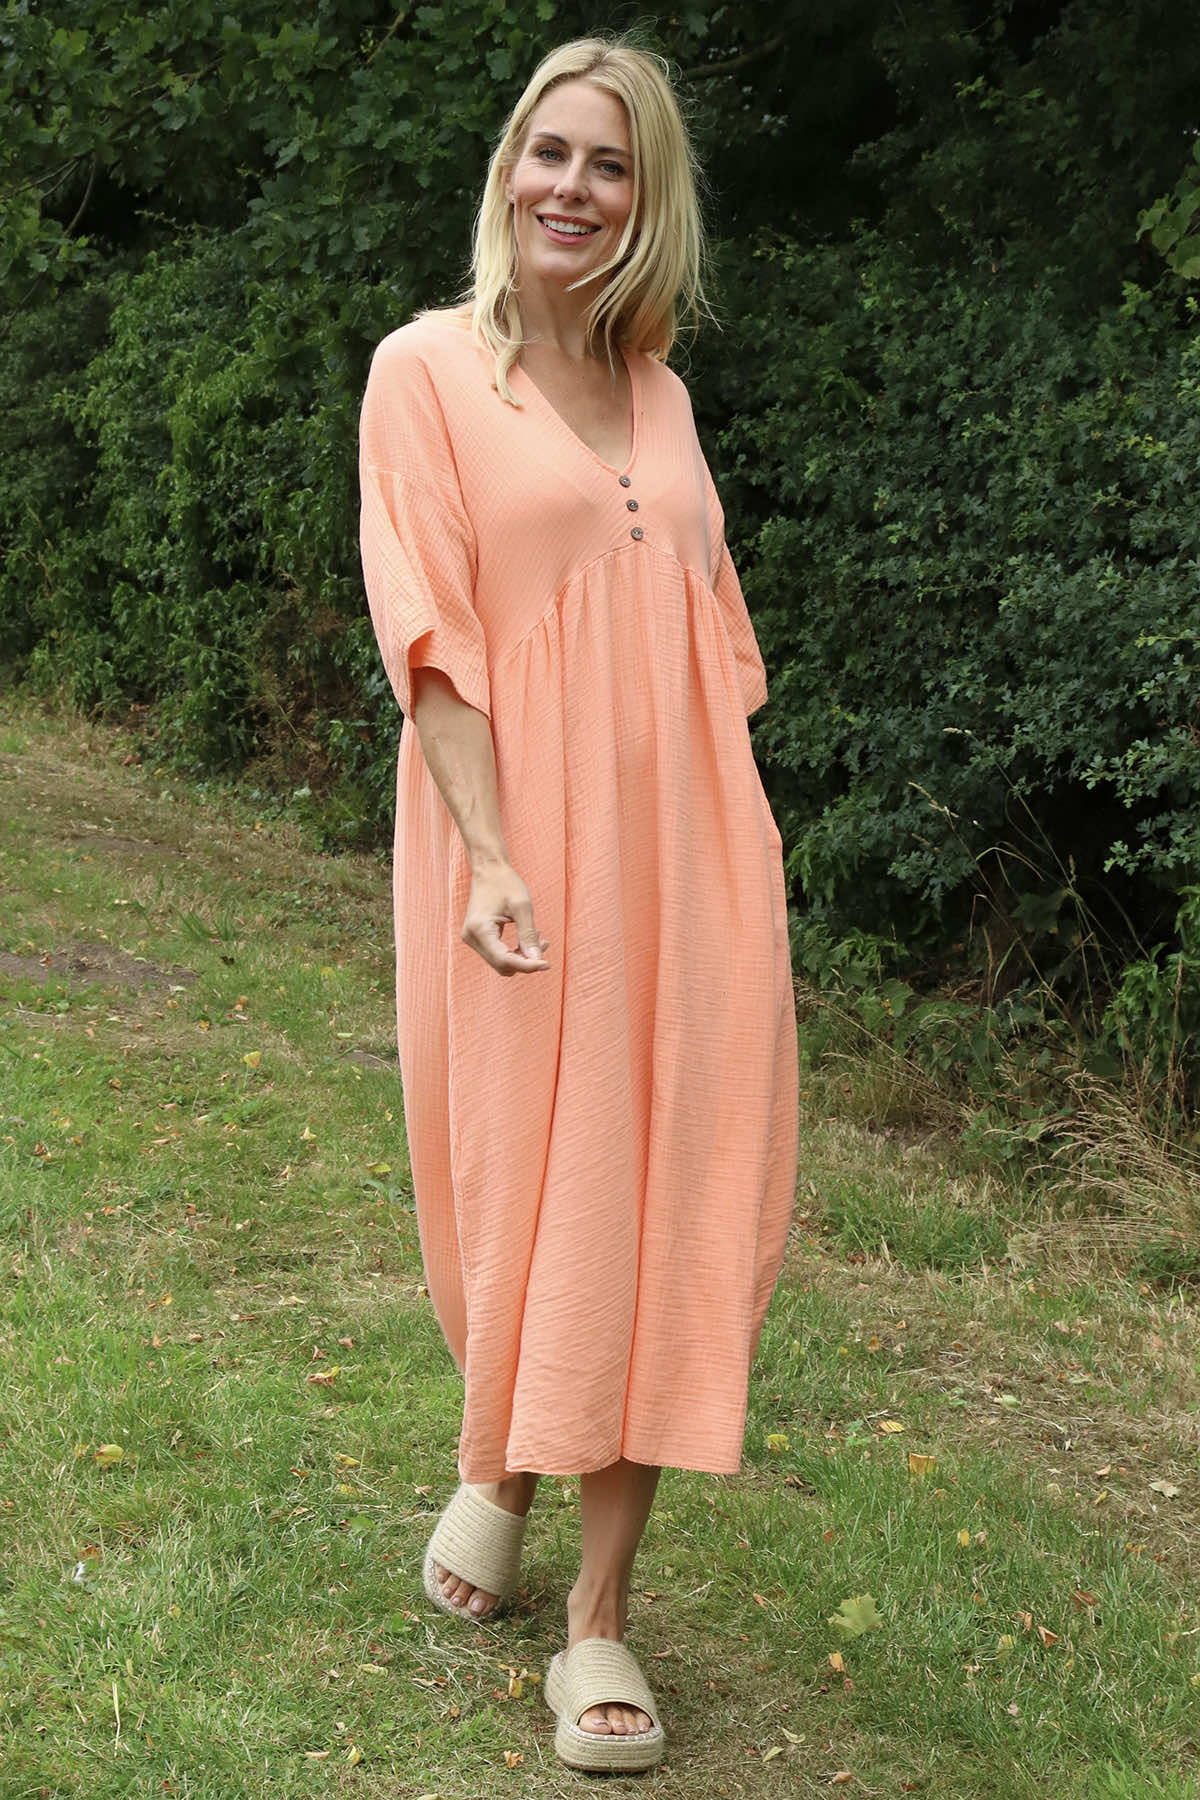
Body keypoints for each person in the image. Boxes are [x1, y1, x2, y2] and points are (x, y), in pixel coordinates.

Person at [358, 35, 798, 1774]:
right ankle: (499, 1463)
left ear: (648, 197)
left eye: (610, 163)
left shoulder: (666, 397)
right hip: (515, 851)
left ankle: (599, 1619)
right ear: (507, 170)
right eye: (550, 151)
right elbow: (431, 636)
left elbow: (711, 647)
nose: (573, 187)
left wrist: (729, 849)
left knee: (664, 1189)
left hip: (690, 859)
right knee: (527, 1177)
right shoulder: (423, 371)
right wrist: (491, 852)